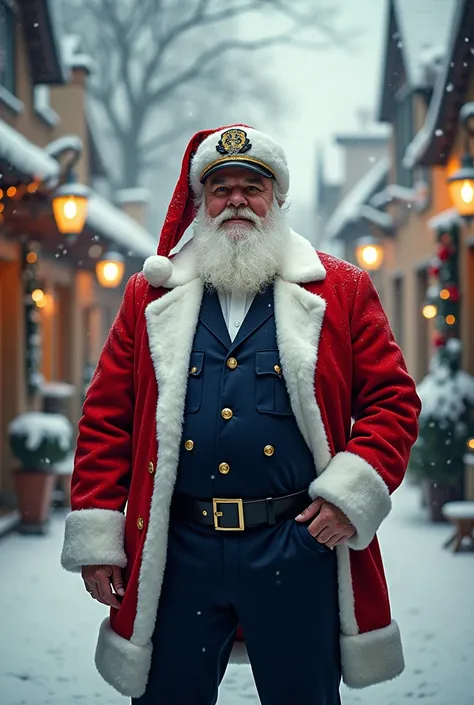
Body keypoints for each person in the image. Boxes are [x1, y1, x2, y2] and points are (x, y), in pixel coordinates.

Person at [61, 125, 421, 705]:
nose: (235, 200)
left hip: (297, 546)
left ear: (277, 200)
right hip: (178, 552)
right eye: (220, 187)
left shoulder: (341, 289)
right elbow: (107, 417)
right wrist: (101, 533)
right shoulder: (150, 297)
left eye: (252, 187)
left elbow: (392, 402)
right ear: (200, 204)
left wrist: (346, 498)